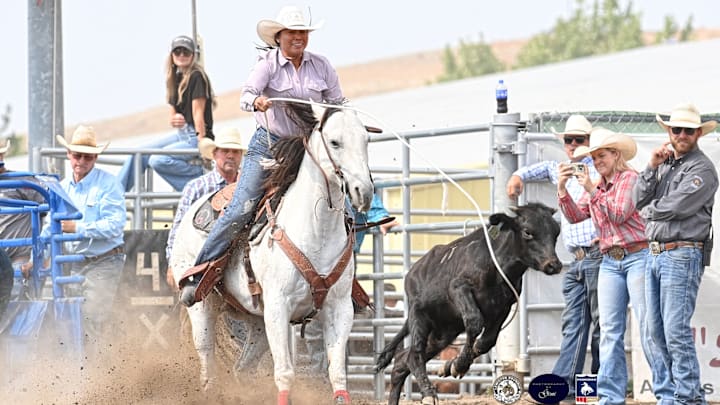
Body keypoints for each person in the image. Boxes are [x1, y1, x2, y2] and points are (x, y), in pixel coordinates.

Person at [180, 5, 344, 306]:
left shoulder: (322, 66)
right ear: (279, 37)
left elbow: (337, 104)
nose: (299, 37)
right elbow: (245, 96)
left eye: (303, 33)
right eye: (293, 33)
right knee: (242, 206)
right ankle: (200, 270)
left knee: (339, 199)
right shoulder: (267, 64)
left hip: (309, 147)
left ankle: (343, 282)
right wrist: (257, 101)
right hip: (270, 146)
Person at [557, 127, 665, 405]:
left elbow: (618, 214)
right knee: (609, 330)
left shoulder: (629, 179)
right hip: (611, 260)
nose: (596, 161)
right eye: (593, 157)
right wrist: (562, 191)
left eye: (600, 155)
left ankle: (666, 394)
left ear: (615, 154)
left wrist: (591, 189)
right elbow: (575, 216)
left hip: (637, 256)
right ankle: (610, 397)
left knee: (647, 327)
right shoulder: (600, 185)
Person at [506, 114, 601, 398]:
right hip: (580, 259)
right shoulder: (559, 168)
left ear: (589, 142)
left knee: (599, 326)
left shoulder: (597, 171)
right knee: (577, 324)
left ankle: (590, 388)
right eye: (569, 140)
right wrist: (516, 176)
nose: (572, 145)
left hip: (599, 256)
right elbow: (530, 170)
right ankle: (569, 389)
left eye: (578, 140)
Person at [634, 103, 718, 405]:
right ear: (669, 132)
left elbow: (676, 206)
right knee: (656, 332)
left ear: (698, 133)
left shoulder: (703, 169)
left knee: (674, 331)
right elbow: (637, 197)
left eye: (688, 130)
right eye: (676, 129)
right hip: (658, 254)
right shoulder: (667, 165)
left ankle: (687, 398)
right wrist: (651, 166)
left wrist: (647, 212)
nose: (682, 134)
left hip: (681, 253)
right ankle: (676, 396)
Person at [46, 125, 127, 344]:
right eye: (77, 155)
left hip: (104, 260)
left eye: (88, 157)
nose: (81, 161)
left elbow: (116, 225)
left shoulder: (109, 185)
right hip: (73, 263)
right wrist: (38, 254)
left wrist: (79, 228)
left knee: (92, 317)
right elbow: (48, 227)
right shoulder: (62, 188)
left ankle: (96, 372)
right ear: (69, 155)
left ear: (95, 158)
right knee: (70, 319)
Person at [118, 35, 215, 192]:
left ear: (193, 55)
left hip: (196, 135)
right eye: (178, 52)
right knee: (138, 153)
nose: (182, 56)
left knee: (158, 160)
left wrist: (202, 144)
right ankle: (114, 195)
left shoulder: (197, 76)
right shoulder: (174, 77)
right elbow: (173, 114)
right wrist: (174, 119)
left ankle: (201, 178)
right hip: (181, 134)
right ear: (172, 55)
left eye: (186, 52)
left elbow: (198, 114)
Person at [165, 127, 247, 288]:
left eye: (235, 152)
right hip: (200, 262)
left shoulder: (249, 187)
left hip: (240, 263)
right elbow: (178, 228)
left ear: (241, 156)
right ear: (215, 154)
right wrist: (172, 263)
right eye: (225, 151)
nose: (230, 155)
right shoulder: (196, 187)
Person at [0, 139, 47, 299]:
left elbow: (47, 208)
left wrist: (39, 254)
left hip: (20, 257)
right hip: (3, 258)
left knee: (13, 297)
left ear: (2, 156)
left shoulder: (23, 182)